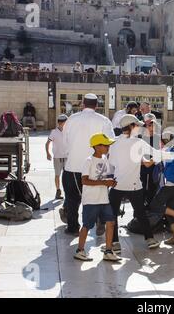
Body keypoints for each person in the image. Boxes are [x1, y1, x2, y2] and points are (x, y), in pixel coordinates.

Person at [62, 93, 115, 236]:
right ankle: (100, 222)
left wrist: (70, 154)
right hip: (96, 165)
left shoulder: (72, 119)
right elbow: (110, 144)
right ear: (97, 105)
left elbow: (64, 141)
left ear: (82, 104)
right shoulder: (104, 120)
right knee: (99, 196)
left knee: (72, 199)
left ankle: (73, 227)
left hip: (74, 166)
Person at [108, 114, 164, 252]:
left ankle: (115, 242)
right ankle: (149, 239)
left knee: (112, 214)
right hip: (135, 185)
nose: (139, 128)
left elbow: (112, 163)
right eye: (137, 125)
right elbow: (157, 155)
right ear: (132, 126)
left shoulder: (113, 143)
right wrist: (151, 161)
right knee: (140, 213)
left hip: (117, 184)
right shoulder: (138, 143)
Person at [74, 133, 120, 262]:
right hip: (91, 200)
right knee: (87, 225)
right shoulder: (89, 161)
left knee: (111, 222)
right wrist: (105, 183)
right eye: (106, 145)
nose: (108, 147)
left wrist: (110, 182)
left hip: (104, 198)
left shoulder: (105, 159)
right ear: (97, 146)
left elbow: (103, 177)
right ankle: (80, 250)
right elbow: (84, 180)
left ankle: (108, 251)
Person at [140, 113, 163, 210]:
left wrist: (152, 161)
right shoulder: (141, 138)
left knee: (153, 190)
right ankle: (141, 212)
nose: (150, 126)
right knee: (143, 190)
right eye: (148, 125)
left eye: (152, 124)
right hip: (144, 167)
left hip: (154, 167)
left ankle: (151, 211)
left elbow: (160, 152)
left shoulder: (158, 137)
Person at [46, 114, 68, 200]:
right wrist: (48, 153)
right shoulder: (54, 132)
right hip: (57, 157)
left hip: (67, 157)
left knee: (67, 176)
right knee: (57, 175)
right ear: (61, 123)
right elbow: (47, 143)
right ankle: (58, 190)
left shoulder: (68, 131)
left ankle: (67, 191)